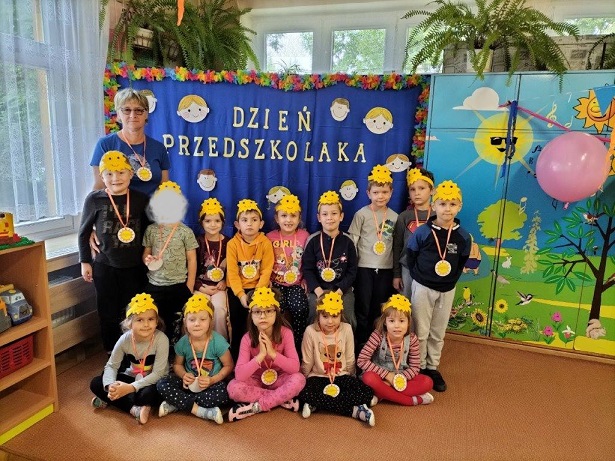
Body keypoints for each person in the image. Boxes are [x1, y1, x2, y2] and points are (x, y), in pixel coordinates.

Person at [78, 151, 150, 353]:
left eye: (120, 173)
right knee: (107, 310)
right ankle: (112, 350)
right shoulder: (94, 199)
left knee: (133, 310)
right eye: (109, 174)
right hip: (105, 266)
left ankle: (133, 349)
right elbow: (84, 232)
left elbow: (148, 230)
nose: (115, 178)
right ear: (102, 177)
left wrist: (147, 254)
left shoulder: (141, 199)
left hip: (134, 266)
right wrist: (85, 262)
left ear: (131, 174)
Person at [407, 180, 471, 392]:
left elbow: (462, 261)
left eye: (453, 204)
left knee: (438, 331)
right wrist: (419, 277)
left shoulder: (463, 236)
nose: (447, 209)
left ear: (459, 207)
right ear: (434, 205)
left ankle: (432, 367)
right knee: (420, 329)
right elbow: (411, 255)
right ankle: (418, 366)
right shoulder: (423, 232)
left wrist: (450, 280)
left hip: (447, 289)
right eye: (442, 204)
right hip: (423, 287)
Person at [227, 288, 306, 422]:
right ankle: (280, 399)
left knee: (299, 379)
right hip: (256, 381)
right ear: (251, 314)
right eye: (257, 312)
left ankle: (258, 406)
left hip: (279, 378)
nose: (263, 316)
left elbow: (294, 368)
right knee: (233, 388)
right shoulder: (247, 338)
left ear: (276, 312)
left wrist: (273, 354)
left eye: (268, 311)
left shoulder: (286, 333)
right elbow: (239, 375)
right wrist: (261, 356)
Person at [89, 293, 169, 424]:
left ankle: (113, 399)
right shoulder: (124, 339)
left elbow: (158, 374)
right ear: (130, 323)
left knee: (147, 395)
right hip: (131, 378)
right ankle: (133, 408)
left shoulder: (161, 339)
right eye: (139, 320)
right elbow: (111, 365)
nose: (146, 324)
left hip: (153, 381)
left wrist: (130, 388)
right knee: (97, 383)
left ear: (156, 322)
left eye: (150, 319)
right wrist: (110, 386)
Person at [299, 291, 376, 427]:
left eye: (334, 316)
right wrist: (304, 378)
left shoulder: (346, 329)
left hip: (341, 376)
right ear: (318, 315)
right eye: (325, 316)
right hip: (318, 377)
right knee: (304, 393)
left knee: (367, 392)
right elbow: (307, 361)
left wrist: (352, 379)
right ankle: (356, 411)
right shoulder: (310, 331)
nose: (330, 321)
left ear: (341, 315)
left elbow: (350, 357)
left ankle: (316, 404)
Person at [156, 293, 233, 424]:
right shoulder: (183, 342)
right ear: (185, 322)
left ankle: (178, 403)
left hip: (211, 384)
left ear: (211, 321)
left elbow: (229, 365)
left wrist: (212, 380)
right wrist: (184, 375)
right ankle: (200, 410)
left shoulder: (218, 342)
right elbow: (177, 365)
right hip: (188, 385)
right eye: (192, 320)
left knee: (226, 393)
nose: (197, 324)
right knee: (162, 384)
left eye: (202, 319)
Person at [348, 164, 398, 348]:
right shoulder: (361, 214)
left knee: (379, 308)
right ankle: (360, 343)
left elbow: (396, 245)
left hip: (385, 269)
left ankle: (375, 344)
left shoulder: (395, 216)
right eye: (376, 192)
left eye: (384, 192)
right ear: (368, 193)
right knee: (363, 307)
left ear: (391, 193)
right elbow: (353, 242)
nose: (380, 196)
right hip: (364, 268)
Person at [143, 181, 198, 343]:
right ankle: (159, 349)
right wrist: (147, 259)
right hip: (155, 285)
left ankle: (176, 350)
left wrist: (189, 285)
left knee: (177, 322)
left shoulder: (185, 231)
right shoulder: (151, 230)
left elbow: (192, 259)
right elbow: (146, 253)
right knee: (158, 321)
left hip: (179, 285)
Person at [91, 88, 170, 197]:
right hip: (118, 207)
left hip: (153, 207)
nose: (133, 115)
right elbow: (99, 187)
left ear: (146, 114)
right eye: (127, 110)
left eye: (139, 110)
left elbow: (165, 186)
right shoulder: (105, 145)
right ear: (118, 114)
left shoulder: (159, 148)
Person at [357, 294, 434, 406]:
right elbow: (362, 360)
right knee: (368, 378)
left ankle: (381, 394)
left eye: (401, 321)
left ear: (408, 322)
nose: (397, 326)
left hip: (401, 376)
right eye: (392, 321)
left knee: (427, 382)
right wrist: (388, 376)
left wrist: (397, 380)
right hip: (379, 376)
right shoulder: (377, 335)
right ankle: (410, 401)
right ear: (385, 322)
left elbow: (415, 367)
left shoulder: (412, 339)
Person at [226, 199, 275, 362]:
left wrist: (257, 295)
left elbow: (266, 270)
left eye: (254, 220)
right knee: (238, 323)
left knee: (259, 323)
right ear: (237, 224)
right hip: (238, 290)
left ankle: (261, 357)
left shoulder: (265, 243)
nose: (249, 224)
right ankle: (237, 359)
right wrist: (241, 295)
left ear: (261, 224)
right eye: (244, 220)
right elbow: (232, 273)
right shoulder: (232, 244)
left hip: (259, 289)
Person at [302, 191, 357, 329]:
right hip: (318, 289)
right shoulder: (313, 240)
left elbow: (352, 271)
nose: (329, 218)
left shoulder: (348, 241)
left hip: (342, 290)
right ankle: (312, 340)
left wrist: (339, 292)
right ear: (319, 218)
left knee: (348, 314)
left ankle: (348, 341)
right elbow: (308, 269)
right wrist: (319, 292)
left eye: (334, 213)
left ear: (341, 216)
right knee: (313, 312)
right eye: (325, 214)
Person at [266, 194, 310, 353]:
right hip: (275, 283)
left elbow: (309, 261)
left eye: (293, 216)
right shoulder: (269, 237)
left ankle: (297, 346)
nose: (288, 220)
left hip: (296, 284)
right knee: (276, 310)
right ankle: (277, 346)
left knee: (300, 308)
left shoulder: (305, 236)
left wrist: (305, 279)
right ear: (276, 218)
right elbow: (265, 261)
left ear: (299, 218)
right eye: (284, 216)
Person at [393, 167, 435, 299]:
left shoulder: (438, 215)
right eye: (412, 189)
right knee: (406, 306)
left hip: (431, 269)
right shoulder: (404, 216)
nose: (417, 193)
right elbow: (397, 246)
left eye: (422, 188)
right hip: (407, 269)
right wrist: (396, 274)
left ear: (432, 190)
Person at [195, 198, 229, 340]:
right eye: (208, 221)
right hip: (201, 286)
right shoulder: (197, 242)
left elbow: (233, 267)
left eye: (217, 221)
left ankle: (220, 344)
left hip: (220, 287)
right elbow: (191, 269)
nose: (213, 224)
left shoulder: (229, 242)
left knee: (219, 310)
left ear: (223, 222)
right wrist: (200, 287)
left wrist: (226, 282)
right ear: (201, 223)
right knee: (199, 310)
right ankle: (199, 343)